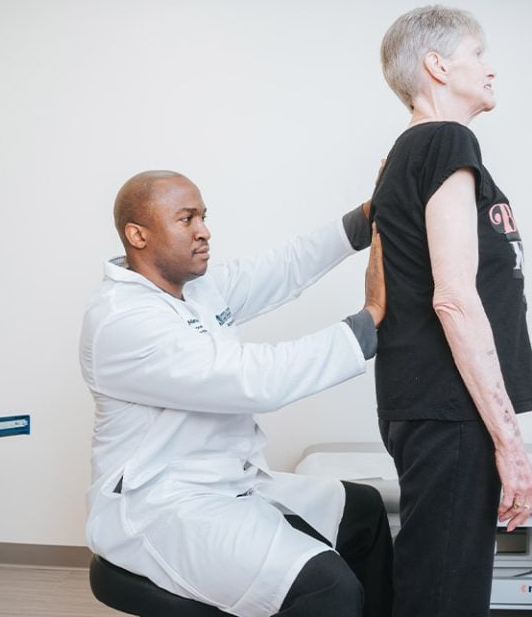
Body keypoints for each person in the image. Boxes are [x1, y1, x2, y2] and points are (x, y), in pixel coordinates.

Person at [79, 170, 392, 617]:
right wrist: (369, 321)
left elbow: (283, 268)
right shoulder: (122, 321)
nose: (204, 230)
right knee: (326, 587)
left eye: (203, 217)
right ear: (138, 235)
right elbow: (253, 380)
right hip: (162, 505)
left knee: (363, 511)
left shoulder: (195, 290)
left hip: (227, 483)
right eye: (186, 219)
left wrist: (365, 220)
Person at [369, 6, 532, 617]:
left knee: (430, 584)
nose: (490, 68)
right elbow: (453, 298)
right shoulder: (445, 140)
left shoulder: (406, 154)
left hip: (426, 406)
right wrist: (510, 443)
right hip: (450, 411)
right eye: (478, 53)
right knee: (444, 597)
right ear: (437, 65)